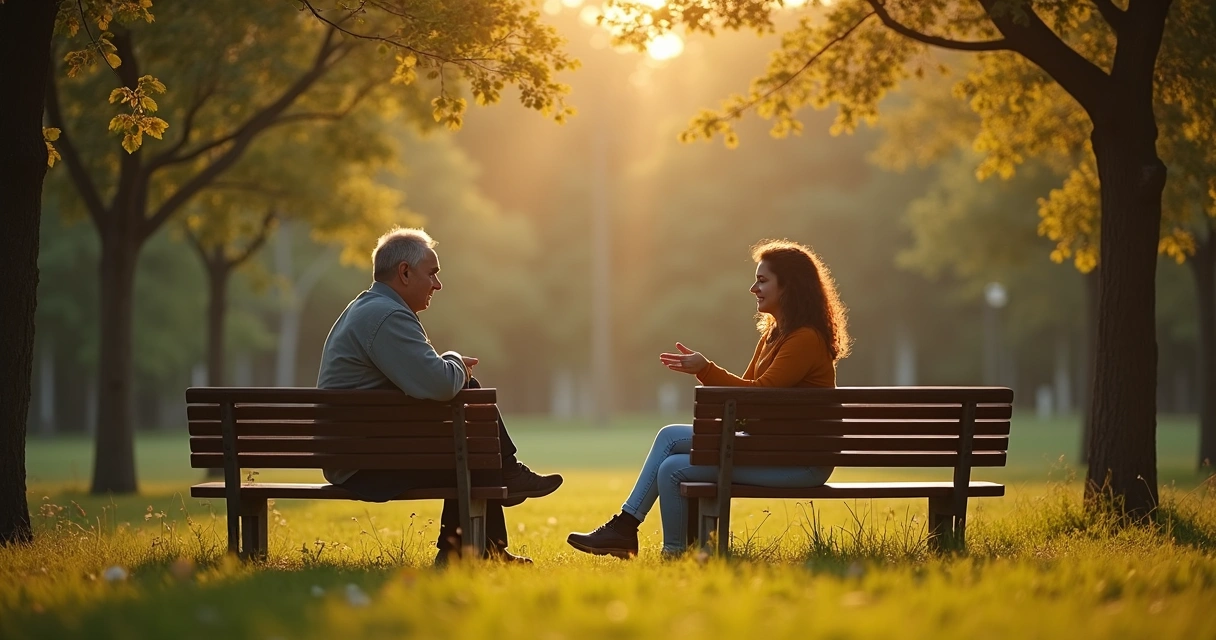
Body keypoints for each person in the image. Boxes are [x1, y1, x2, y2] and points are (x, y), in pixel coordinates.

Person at [567, 239, 851, 559]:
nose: (753, 288)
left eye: (762, 280)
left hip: (800, 464)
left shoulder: (805, 340)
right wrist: (705, 375)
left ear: (790, 286)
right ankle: (637, 534)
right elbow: (747, 393)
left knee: (673, 463)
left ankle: (665, 550)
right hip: (772, 450)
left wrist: (706, 370)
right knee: (671, 449)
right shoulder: (774, 335)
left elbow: (759, 396)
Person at [318, 227, 563, 565]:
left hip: (360, 452)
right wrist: (454, 360)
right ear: (405, 272)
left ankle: (482, 542)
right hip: (364, 465)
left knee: (474, 448)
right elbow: (438, 384)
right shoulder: (387, 316)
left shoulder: (369, 308)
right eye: (431, 273)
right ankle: (497, 499)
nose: (437, 284)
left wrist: (449, 367)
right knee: (472, 427)